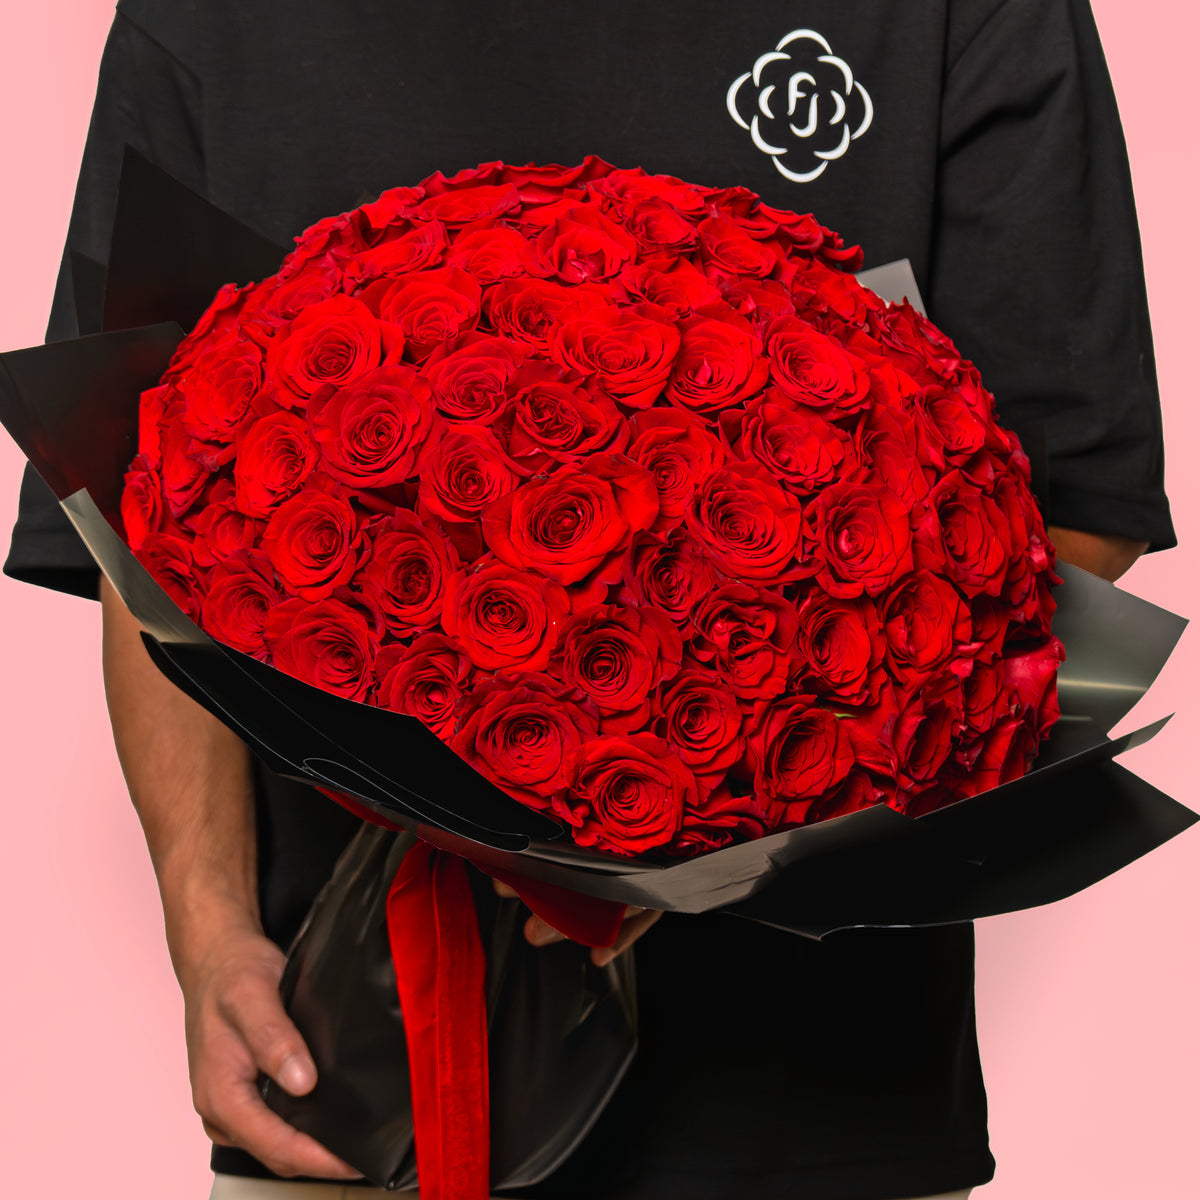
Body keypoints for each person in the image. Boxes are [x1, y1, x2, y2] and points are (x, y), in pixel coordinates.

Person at [4, 2, 1173, 1198]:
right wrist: (208, 933)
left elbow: (1075, 504)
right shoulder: (213, 16)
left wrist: (698, 810)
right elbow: (147, 521)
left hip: (820, 1114)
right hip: (348, 1077)